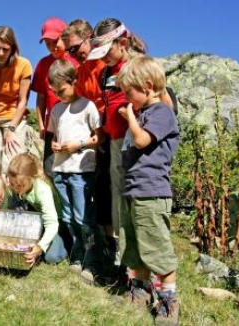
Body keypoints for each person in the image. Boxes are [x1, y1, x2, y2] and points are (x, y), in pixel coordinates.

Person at [116, 55, 180, 325]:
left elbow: (142, 141)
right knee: (134, 246)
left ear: (148, 85)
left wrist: (130, 117)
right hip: (133, 191)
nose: (125, 98)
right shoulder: (145, 114)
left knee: (157, 248)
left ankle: (167, 302)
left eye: (128, 92)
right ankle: (139, 292)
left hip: (151, 193)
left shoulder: (162, 113)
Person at [87, 18, 148, 272]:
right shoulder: (105, 72)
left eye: (108, 51)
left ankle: (138, 258)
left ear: (122, 43)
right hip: (113, 140)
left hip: (134, 141)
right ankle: (122, 255)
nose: (105, 58)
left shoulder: (136, 66)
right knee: (116, 197)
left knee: (132, 198)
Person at [47, 59, 100, 282]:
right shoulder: (57, 109)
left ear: (74, 82)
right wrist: (55, 146)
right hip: (61, 168)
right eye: (55, 92)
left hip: (81, 170)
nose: (60, 96)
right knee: (68, 216)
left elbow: (98, 138)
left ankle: (92, 257)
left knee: (83, 216)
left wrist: (79, 144)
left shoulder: (87, 107)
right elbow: (53, 136)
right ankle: (77, 253)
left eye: (62, 90)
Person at [31, 17, 79, 177]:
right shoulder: (43, 64)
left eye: (55, 41)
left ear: (65, 37)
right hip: (52, 125)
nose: (52, 47)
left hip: (75, 124)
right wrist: (41, 125)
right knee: (50, 170)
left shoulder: (76, 60)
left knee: (74, 172)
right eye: (47, 44)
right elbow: (41, 97)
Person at [0, 26, 33, 174]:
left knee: (12, 165)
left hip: (14, 119)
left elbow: (23, 101)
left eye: (5, 49)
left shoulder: (24, 65)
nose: (0, 53)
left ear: (13, 48)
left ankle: (10, 196)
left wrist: (11, 129)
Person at [3, 153, 67, 266]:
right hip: (39, 218)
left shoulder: (43, 190)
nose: (16, 188)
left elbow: (52, 223)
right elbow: (5, 212)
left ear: (31, 178)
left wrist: (40, 247)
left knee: (51, 257)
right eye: (12, 184)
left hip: (59, 221)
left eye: (20, 185)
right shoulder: (15, 185)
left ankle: (69, 241)